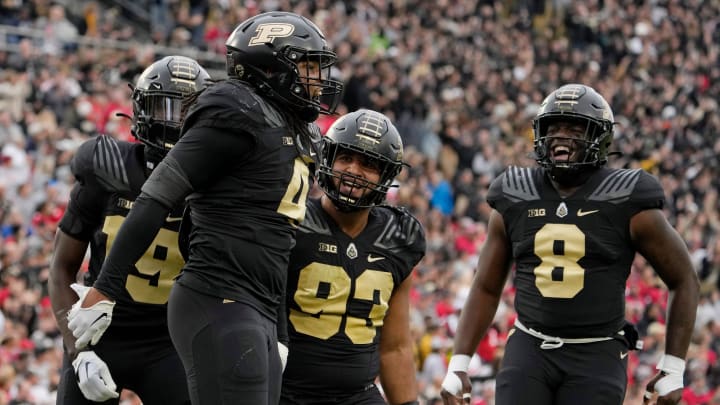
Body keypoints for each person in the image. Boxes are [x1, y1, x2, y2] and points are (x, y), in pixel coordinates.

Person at [65, 11, 344, 405]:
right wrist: (106, 287)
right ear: (271, 67)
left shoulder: (296, 130)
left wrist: (279, 330)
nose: (317, 79)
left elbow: (277, 243)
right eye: (307, 66)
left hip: (257, 305)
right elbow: (157, 195)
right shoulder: (238, 107)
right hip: (219, 295)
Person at [440, 83, 699, 405]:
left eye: (575, 128)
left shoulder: (628, 199)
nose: (561, 136)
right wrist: (459, 363)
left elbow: (684, 278)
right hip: (529, 347)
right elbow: (486, 286)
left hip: (597, 352)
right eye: (554, 127)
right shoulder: (514, 195)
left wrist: (673, 368)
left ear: (599, 138)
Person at [49, 55, 210, 404]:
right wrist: (79, 352)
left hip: (170, 341)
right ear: (139, 110)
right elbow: (61, 268)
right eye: (164, 107)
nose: (174, 122)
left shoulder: (215, 185)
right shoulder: (108, 168)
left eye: (186, 110)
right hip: (99, 333)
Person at [279, 109, 426, 405]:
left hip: (357, 396)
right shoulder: (292, 221)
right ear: (327, 158)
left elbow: (395, 347)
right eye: (345, 157)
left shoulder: (399, 237)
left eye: (368, 164)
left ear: (386, 175)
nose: (353, 171)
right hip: (286, 392)